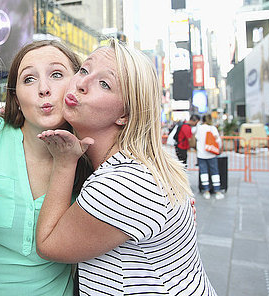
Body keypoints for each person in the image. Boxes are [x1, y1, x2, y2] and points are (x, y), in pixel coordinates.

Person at [35, 39, 216, 295]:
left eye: (104, 84)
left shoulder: (123, 182)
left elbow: (48, 244)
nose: (81, 83)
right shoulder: (138, 165)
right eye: (84, 70)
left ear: (125, 115)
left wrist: (65, 163)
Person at [0, 40, 90, 295]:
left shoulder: (91, 154)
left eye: (56, 74)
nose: (44, 89)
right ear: (16, 98)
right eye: (29, 79)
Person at [195, 114, 224, 200]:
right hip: (211, 153)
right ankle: (217, 191)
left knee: (203, 172)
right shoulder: (212, 128)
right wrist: (220, 149)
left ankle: (206, 191)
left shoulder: (199, 128)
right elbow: (218, 140)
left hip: (201, 154)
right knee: (214, 171)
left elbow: (196, 138)